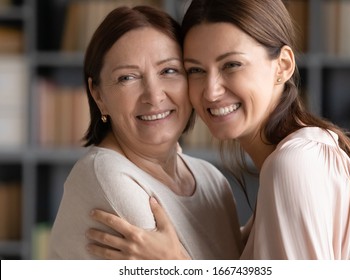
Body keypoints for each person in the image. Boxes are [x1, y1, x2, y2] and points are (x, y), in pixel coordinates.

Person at [85, 0, 350, 260]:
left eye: (231, 65)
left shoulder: (294, 164)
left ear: (282, 65)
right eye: (196, 70)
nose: (211, 92)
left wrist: (176, 264)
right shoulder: (297, 156)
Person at [48, 5, 243, 260]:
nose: (154, 95)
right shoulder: (108, 177)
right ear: (98, 95)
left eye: (169, 71)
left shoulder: (212, 181)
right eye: (127, 78)